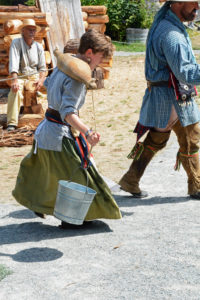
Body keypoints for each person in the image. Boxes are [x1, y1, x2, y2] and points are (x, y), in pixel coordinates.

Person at [12, 29, 121, 227]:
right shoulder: (77, 75)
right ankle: (71, 218)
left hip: (44, 131)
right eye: (100, 57)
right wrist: (87, 132)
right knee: (79, 176)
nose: (101, 62)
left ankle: (41, 203)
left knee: (48, 171)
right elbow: (68, 113)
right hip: (59, 135)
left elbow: (49, 86)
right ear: (89, 53)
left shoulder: (65, 63)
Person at [119, 0, 200, 200]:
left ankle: (131, 179)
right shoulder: (171, 34)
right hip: (172, 95)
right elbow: (185, 72)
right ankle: (196, 186)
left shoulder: (165, 23)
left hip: (166, 93)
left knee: (159, 138)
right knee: (191, 138)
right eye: (194, 3)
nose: (197, 8)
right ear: (178, 3)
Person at [7, 19, 46, 131]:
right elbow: (13, 65)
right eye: (29, 29)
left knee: (49, 88)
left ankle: (51, 119)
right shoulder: (16, 43)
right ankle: (12, 123)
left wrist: (41, 80)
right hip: (19, 76)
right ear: (23, 30)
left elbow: (42, 68)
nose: (32, 32)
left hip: (34, 77)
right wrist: (14, 81)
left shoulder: (38, 47)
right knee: (15, 90)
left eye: (34, 30)